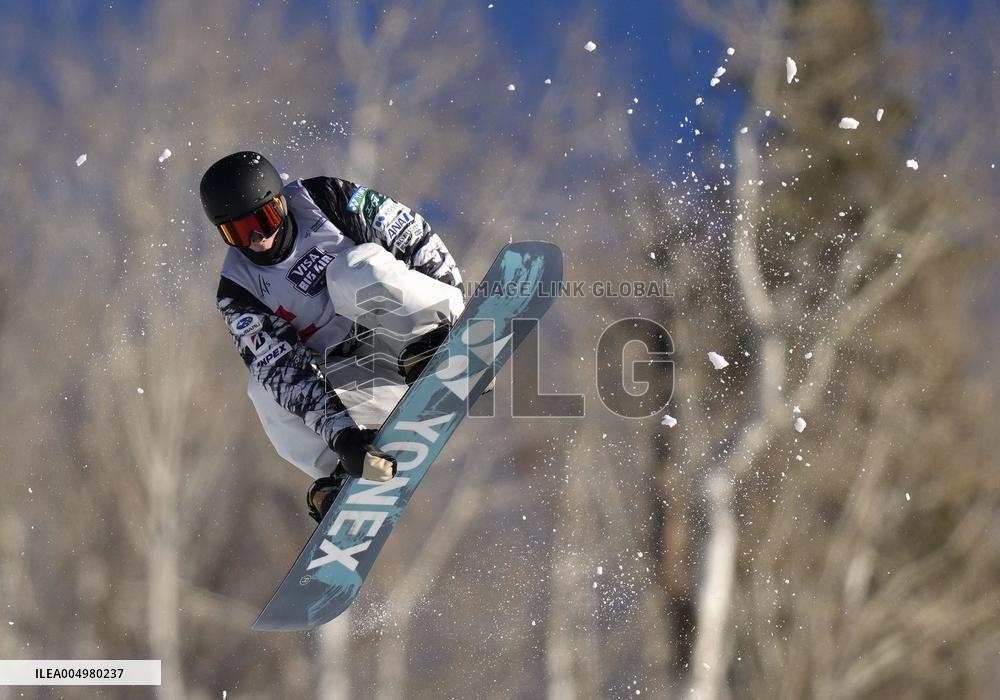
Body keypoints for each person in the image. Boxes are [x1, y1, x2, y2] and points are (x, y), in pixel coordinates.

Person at [200, 151, 465, 521]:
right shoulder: (238, 293)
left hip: (416, 329)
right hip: (367, 379)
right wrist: (342, 436)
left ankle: (434, 340)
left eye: (265, 219)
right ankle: (348, 471)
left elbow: (412, 236)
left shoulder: (325, 200)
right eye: (239, 232)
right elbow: (283, 372)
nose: (259, 239)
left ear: (280, 203)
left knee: (353, 269)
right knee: (262, 388)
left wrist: (455, 305)